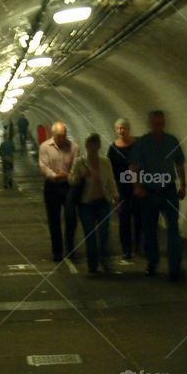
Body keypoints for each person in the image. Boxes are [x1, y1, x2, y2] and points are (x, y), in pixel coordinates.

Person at [130, 110, 187, 280]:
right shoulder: (143, 143)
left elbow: (179, 163)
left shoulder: (172, 141)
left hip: (168, 190)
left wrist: (183, 184)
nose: (158, 126)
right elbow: (133, 167)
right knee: (150, 230)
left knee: (173, 230)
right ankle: (152, 262)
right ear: (151, 123)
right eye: (155, 123)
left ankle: (174, 268)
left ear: (163, 123)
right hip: (148, 192)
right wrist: (136, 186)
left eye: (160, 122)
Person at [70, 133, 118, 274]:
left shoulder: (105, 162)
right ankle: (92, 264)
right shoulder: (80, 162)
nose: (92, 148)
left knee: (104, 233)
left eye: (95, 145)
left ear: (98, 146)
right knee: (90, 234)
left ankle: (105, 260)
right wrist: (80, 176)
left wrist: (115, 196)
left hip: (103, 202)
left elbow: (110, 180)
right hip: (86, 204)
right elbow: (71, 179)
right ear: (86, 146)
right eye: (90, 145)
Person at [39, 122, 79, 261]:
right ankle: (57, 251)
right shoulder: (45, 147)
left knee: (71, 217)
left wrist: (67, 175)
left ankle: (70, 247)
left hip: (68, 186)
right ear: (53, 134)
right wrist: (55, 175)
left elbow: (76, 167)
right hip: (51, 186)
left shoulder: (74, 147)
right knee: (53, 220)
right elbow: (43, 166)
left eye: (63, 136)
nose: (62, 139)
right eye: (59, 136)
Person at [107, 117, 142, 260]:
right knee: (124, 219)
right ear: (115, 130)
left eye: (124, 128)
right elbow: (110, 172)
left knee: (140, 217)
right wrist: (113, 194)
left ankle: (139, 245)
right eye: (118, 128)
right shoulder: (113, 149)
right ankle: (126, 248)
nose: (121, 130)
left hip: (139, 184)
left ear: (129, 129)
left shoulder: (138, 144)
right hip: (122, 186)